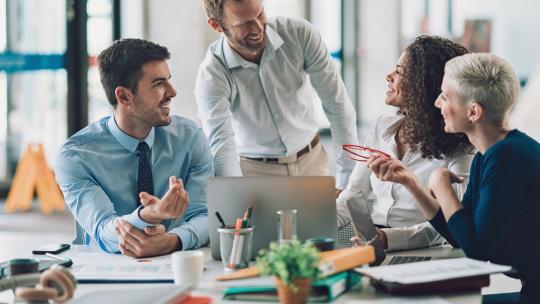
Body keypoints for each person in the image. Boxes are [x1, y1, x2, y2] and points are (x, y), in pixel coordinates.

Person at [369, 53, 540, 301]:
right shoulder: (489, 154)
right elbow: (460, 235)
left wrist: (442, 186)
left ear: (473, 112)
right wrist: (411, 182)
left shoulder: (507, 157)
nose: (437, 103)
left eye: (445, 96)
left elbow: (477, 251)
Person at [55, 39, 214, 258]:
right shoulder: (76, 157)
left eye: (169, 80)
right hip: (105, 268)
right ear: (124, 97)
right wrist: (149, 215)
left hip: (173, 264)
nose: (172, 91)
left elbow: (205, 216)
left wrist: (172, 241)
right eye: (158, 83)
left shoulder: (190, 139)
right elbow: (103, 229)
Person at [196, 0, 358, 193]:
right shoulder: (212, 74)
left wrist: (348, 181)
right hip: (256, 171)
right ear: (216, 25)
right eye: (244, 24)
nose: (258, 28)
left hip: (312, 160)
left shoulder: (299, 33)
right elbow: (221, 145)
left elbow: (338, 106)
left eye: (260, 14)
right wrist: (234, 197)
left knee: (321, 224)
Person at [337, 36, 474, 251]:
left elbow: (452, 226)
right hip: (374, 245)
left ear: (424, 85)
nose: (388, 76)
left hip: (429, 252)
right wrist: (308, 226)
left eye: (399, 72)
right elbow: (354, 195)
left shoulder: (460, 146)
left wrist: (388, 239)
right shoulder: (381, 128)